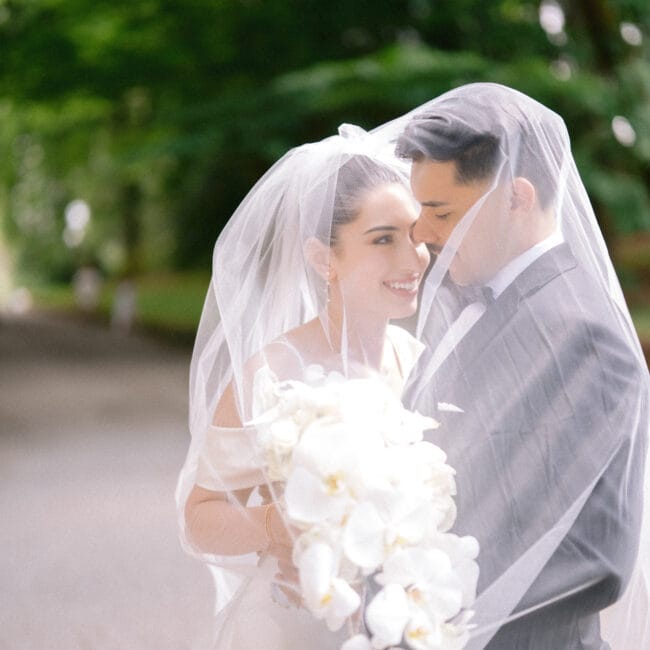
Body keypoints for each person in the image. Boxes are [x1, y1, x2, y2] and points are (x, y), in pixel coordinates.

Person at [388, 82, 650, 649]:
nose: (424, 236)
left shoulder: (585, 336)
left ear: (517, 197)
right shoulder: (468, 298)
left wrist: (422, 594)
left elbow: (599, 557)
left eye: (440, 212)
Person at [176, 127, 430, 649]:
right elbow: (199, 516)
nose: (413, 259)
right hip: (300, 627)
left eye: (416, 235)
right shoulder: (269, 372)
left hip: (407, 621)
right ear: (324, 259)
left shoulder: (418, 361)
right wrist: (276, 525)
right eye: (383, 238)